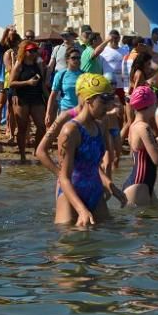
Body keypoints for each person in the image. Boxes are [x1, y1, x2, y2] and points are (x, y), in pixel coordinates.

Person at [54, 74, 124, 226]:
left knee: (107, 240)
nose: (108, 106)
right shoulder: (70, 131)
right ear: (88, 100)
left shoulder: (99, 126)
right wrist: (81, 210)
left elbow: (92, 166)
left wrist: (112, 187)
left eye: (109, 100)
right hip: (71, 196)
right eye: (103, 101)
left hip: (95, 193)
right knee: (69, 244)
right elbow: (64, 177)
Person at [123, 85, 158, 206]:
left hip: (140, 183)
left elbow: (138, 147)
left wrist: (155, 140)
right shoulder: (144, 128)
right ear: (150, 105)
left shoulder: (135, 126)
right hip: (139, 185)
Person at [9, 41, 47, 163]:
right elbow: (11, 83)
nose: (33, 53)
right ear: (24, 52)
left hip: (37, 97)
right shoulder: (19, 65)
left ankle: (37, 151)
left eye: (35, 50)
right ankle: (22, 155)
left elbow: (42, 83)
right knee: (22, 128)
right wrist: (27, 83)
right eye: (31, 51)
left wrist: (47, 97)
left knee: (41, 126)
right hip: (22, 98)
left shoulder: (38, 64)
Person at [47, 48, 83, 126]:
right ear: (67, 59)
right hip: (65, 111)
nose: (77, 60)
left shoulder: (84, 75)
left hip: (81, 112)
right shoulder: (61, 74)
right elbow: (53, 95)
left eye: (78, 58)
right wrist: (48, 113)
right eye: (73, 58)